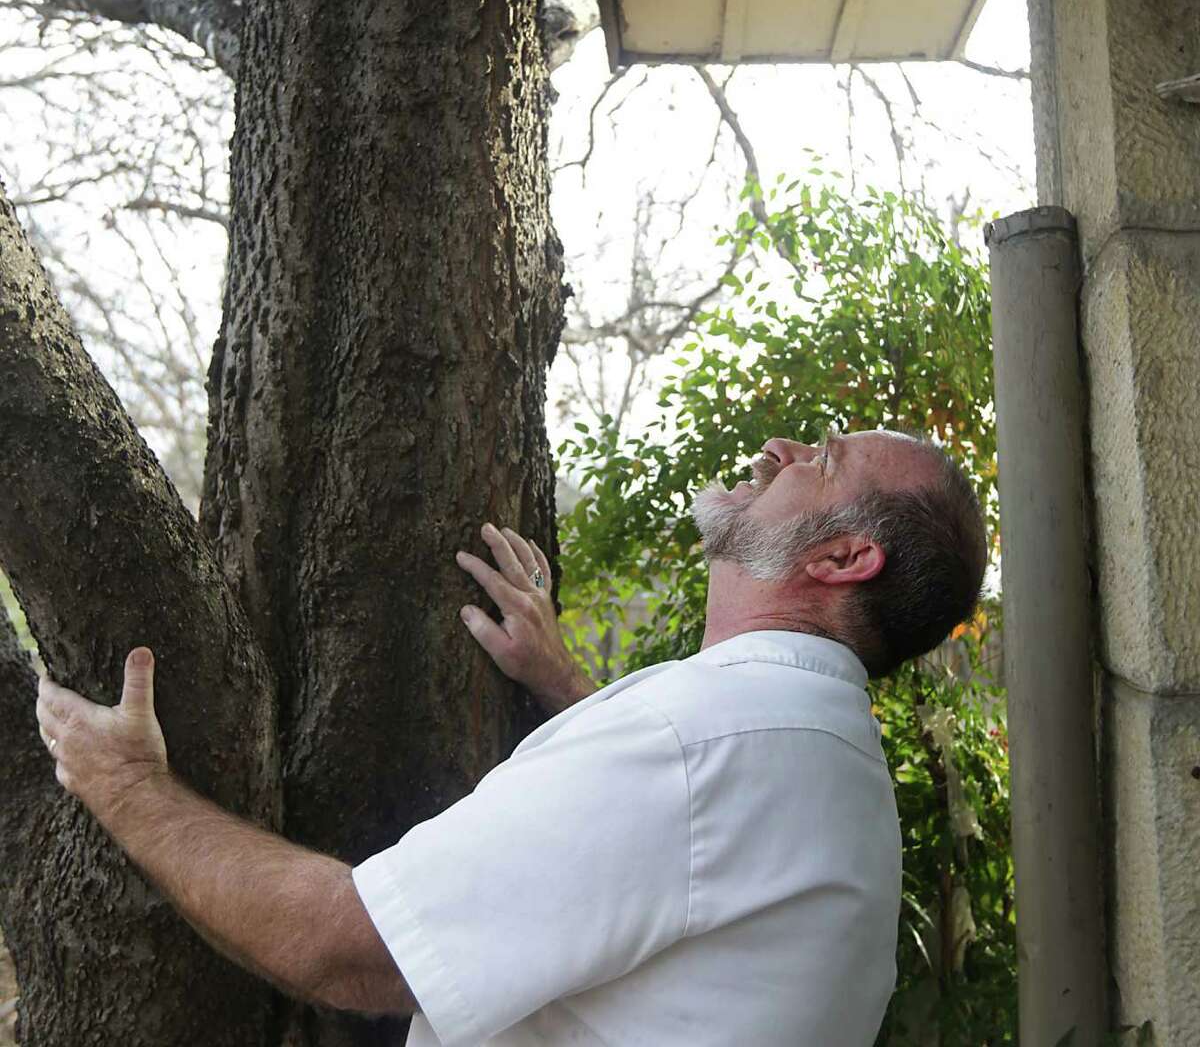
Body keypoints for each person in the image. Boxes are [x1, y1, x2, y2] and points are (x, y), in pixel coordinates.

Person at [35, 429, 987, 1045]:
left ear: (841, 558)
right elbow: (680, 848)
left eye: (820, 461)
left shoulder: (702, 741)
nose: (781, 447)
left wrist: (127, 788)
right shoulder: (812, 745)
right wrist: (563, 680)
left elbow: (345, 947)